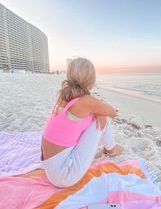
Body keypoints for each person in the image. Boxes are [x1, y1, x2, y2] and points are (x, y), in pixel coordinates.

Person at [41, 57, 123, 188]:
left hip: (51, 168)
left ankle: (110, 148)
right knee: (104, 120)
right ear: (92, 80)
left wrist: (96, 111)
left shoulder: (65, 97)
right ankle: (112, 150)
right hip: (64, 175)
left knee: (96, 117)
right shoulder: (86, 101)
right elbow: (113, 112)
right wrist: (99, 111)